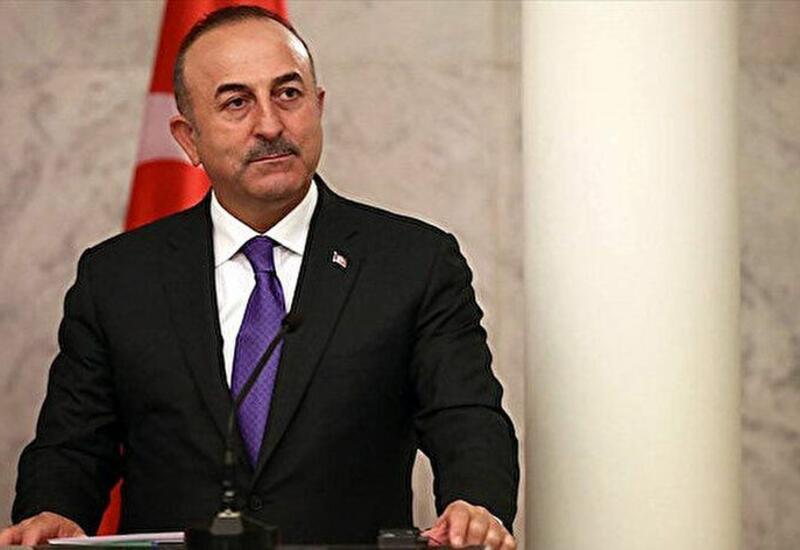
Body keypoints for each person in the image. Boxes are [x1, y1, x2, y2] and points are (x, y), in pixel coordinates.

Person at [0, 6, 518, 549]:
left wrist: (475, 503)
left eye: (288, 94)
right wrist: (52, 511)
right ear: (189, 138)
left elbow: (466, 416)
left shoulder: (412, 262)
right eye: (236, 102)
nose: (270, 125)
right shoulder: (118, 278)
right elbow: (73, 445)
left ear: (318, 107)